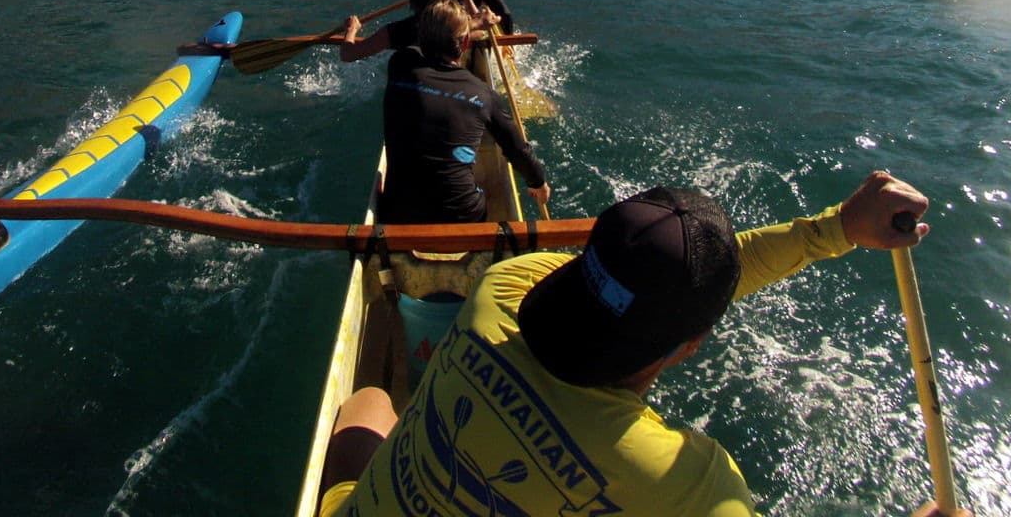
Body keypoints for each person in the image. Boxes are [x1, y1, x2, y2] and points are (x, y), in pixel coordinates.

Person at [317, 169, 931, 517]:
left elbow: (639, 284)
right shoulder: (690, 488)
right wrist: (836, 229)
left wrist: (836, 227)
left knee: (370, 399)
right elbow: (687, 288)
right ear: (691, 345)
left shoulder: (504, 287)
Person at [378, 0, 550, 223]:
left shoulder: (399, 64)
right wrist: (538, 182)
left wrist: (473, 24)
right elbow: (517, 150)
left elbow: (414, 47)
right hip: (462, 214)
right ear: (466, 42)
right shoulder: (483, 93)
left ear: (422, 36)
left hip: (398, 212)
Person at [340, 0, 498, 63]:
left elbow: (347, 55)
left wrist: (352, 30)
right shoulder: (452, 25)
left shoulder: (396, 31)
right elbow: (482, 27)